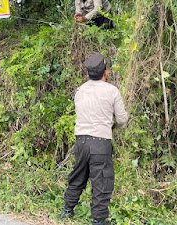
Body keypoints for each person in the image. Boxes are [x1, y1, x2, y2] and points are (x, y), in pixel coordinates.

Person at [59, 53, 128, 225]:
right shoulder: (112, 91)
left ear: (88, 73)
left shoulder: (80, 90)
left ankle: (67, 210)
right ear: (106, 71)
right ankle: (98, 220)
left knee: (79, 176)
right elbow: (122, 120)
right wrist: (114, 126)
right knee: (102, 180)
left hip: (81, 141)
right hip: (100, 143)